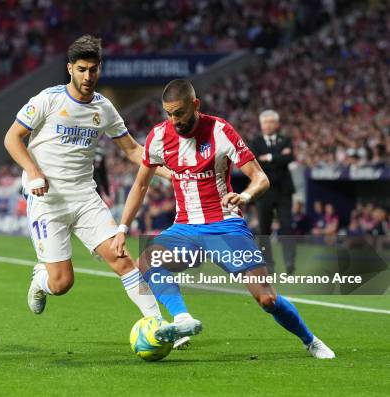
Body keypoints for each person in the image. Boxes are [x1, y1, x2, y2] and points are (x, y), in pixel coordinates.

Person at [112, 79, 335, 359]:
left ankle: (310, 340)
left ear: (195, 105)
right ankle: (182, 319)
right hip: (185, 226)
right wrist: (122, 227)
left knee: (266, 299)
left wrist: (244, 196)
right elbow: (140, 185)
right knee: (147, 260)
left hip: (224, 225)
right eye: (168, 113)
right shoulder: (158, 136)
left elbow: (260, 178)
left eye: (179, 112)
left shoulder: (220, 131)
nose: (174, 120)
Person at [4, 35, 183, 342]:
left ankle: (158, 324)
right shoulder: (48, 99)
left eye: (94, 70)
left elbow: (130, 149)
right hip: (47, 200)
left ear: (100, 69)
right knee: (62, 283)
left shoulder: (104, 107)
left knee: (122, 258)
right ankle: (41, 278)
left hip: (85, 196)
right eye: (82, 69)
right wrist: (33, 171)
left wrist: (171, 174)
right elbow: (11, 138)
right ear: (70, 68)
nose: (88, 77)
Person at [250, 110, 296, 274]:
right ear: (261, 125)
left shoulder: (286, 140)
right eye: (265, 122)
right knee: (264, 230)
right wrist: (278, 157)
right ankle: (268, 264)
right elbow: (255, 162)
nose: (268, 125)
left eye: (271, 122)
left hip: (284, 191)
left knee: (287, 227)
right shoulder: (255, 142)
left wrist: (268, 158)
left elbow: (290, 158)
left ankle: (290, 262)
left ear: (277, 124)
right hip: (264, 192)